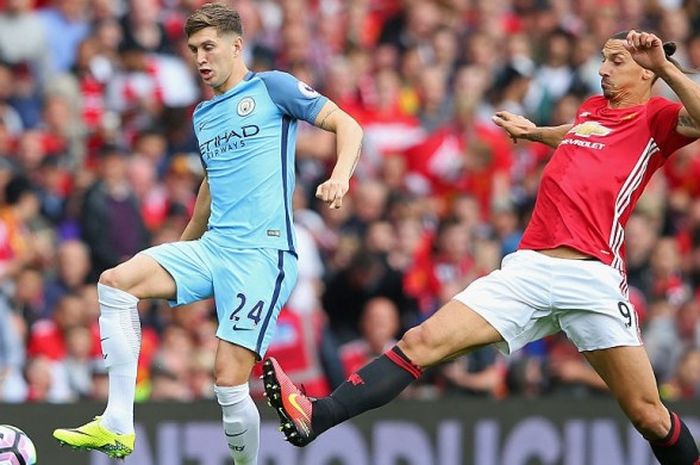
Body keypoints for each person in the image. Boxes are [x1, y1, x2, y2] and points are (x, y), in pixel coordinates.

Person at [262, 30, 700, 465]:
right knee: (421, 341)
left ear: (647, 72)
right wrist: (536, 133)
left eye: (617, 62)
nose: (603, 69)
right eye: (604, 59)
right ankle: (317, 416)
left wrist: (665, 67)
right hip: (528, 269)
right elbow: (579, 133)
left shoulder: (657, 119)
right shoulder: (593, 110)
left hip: (591, 276)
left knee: (649, 417)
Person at [53, 2, 363, 463]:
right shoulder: (203, 115)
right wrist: (182, 246)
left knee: (227, 379)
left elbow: (347, 123)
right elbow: (212, 183)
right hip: (214, 246)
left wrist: (341, 175)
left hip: (263, 256)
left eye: (208, 47)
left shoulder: (272, 87)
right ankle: (118, 423)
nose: (199, 58)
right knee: (116, 283)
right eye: (193, 49)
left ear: (236, 45)